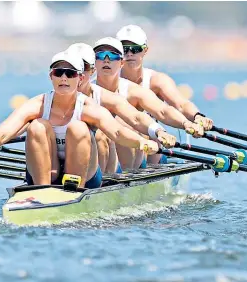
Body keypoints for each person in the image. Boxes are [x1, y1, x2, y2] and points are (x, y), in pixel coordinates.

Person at [0, 51, 159, 189]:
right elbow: (3, 132)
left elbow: (116, 132)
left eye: (70, 73)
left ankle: (74, 190)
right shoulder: (38, 104)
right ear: (51, 76)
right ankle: (42, 190)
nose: (64, 78)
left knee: (78, 128)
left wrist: (141, 142)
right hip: (47, 172)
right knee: (37, 126)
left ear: (80, 79)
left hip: (84, 176)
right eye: (58, 73)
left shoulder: (88, 107)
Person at [91, 37, 205, 171]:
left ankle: (125, 177)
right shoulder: (85, 90)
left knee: (127, 125)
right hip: (101, 153)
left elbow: (163, 111)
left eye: (112, 56)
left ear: (121, 62)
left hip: (140, 154)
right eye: (100, 55)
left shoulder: (135, 91)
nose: (106, 60)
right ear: (94, 61)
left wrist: (186, 123)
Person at [66, 42, 178, 174]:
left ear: (92, 70)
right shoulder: (49, 100)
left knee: (110, 130)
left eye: (83, 67)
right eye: (69, 70)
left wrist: (160, 131)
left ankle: (112, 182)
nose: (78, 74)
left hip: (122, 161)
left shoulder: (111, 95)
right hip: (77, 160)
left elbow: (137, 118)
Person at [116, 25, 216, 164]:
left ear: (145, 50)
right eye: (124, 49)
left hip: (150, 151)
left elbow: (180, 104)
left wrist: (197, 116)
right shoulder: (105, 82)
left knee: (142, 131)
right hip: (117, 146)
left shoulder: (157, 81)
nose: (130, 54)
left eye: (136, 49)